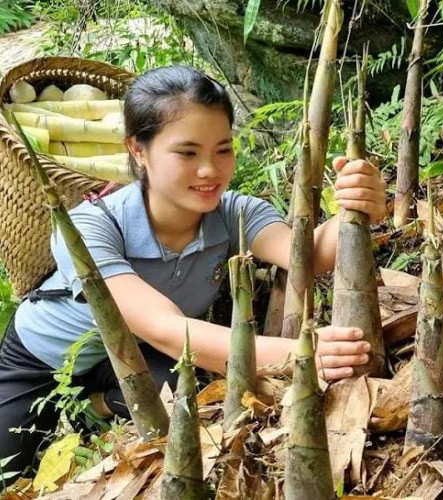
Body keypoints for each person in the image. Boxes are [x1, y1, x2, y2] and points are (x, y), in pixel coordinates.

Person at [0, 66, 388, 473]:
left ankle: (94, 408)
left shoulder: (234, 212)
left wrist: (356, 208)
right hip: (40, 361)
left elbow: (306, 253)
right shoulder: (91, 226)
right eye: (187, 153)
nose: (210, 170)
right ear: (138, 150)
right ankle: (82, 404)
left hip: (135, 359)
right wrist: (299, 354)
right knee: (9, 472)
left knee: (184, 389)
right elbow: (163, 328)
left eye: (223, 150)